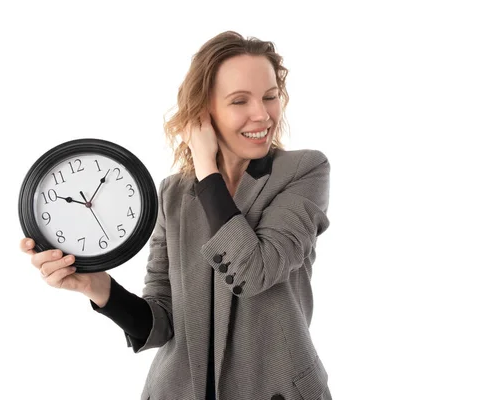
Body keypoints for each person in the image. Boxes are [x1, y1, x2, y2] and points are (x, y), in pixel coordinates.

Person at [20, 31, 332, 400]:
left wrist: (205, 165)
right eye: (239, 101)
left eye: (270, 97)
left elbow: (255, 270)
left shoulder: (304, 170)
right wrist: (95, 286)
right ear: (203, 111)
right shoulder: (172, 194)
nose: (262, 114)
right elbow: (162, 321)